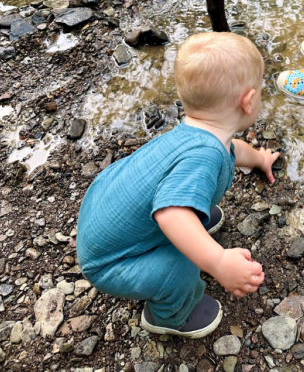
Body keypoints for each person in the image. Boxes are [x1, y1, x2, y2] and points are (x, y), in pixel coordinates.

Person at [76, 32, 280, 339]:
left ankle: (192, 220)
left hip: (104, 215)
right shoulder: (203, 156)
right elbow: (171, 214)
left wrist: (260, 159)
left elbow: (234, 150)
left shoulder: (198, 133)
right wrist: (219, 262)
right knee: (181, 266)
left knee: (184, 201)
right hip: (111, 262)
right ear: (248, 101)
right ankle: (170, 316)